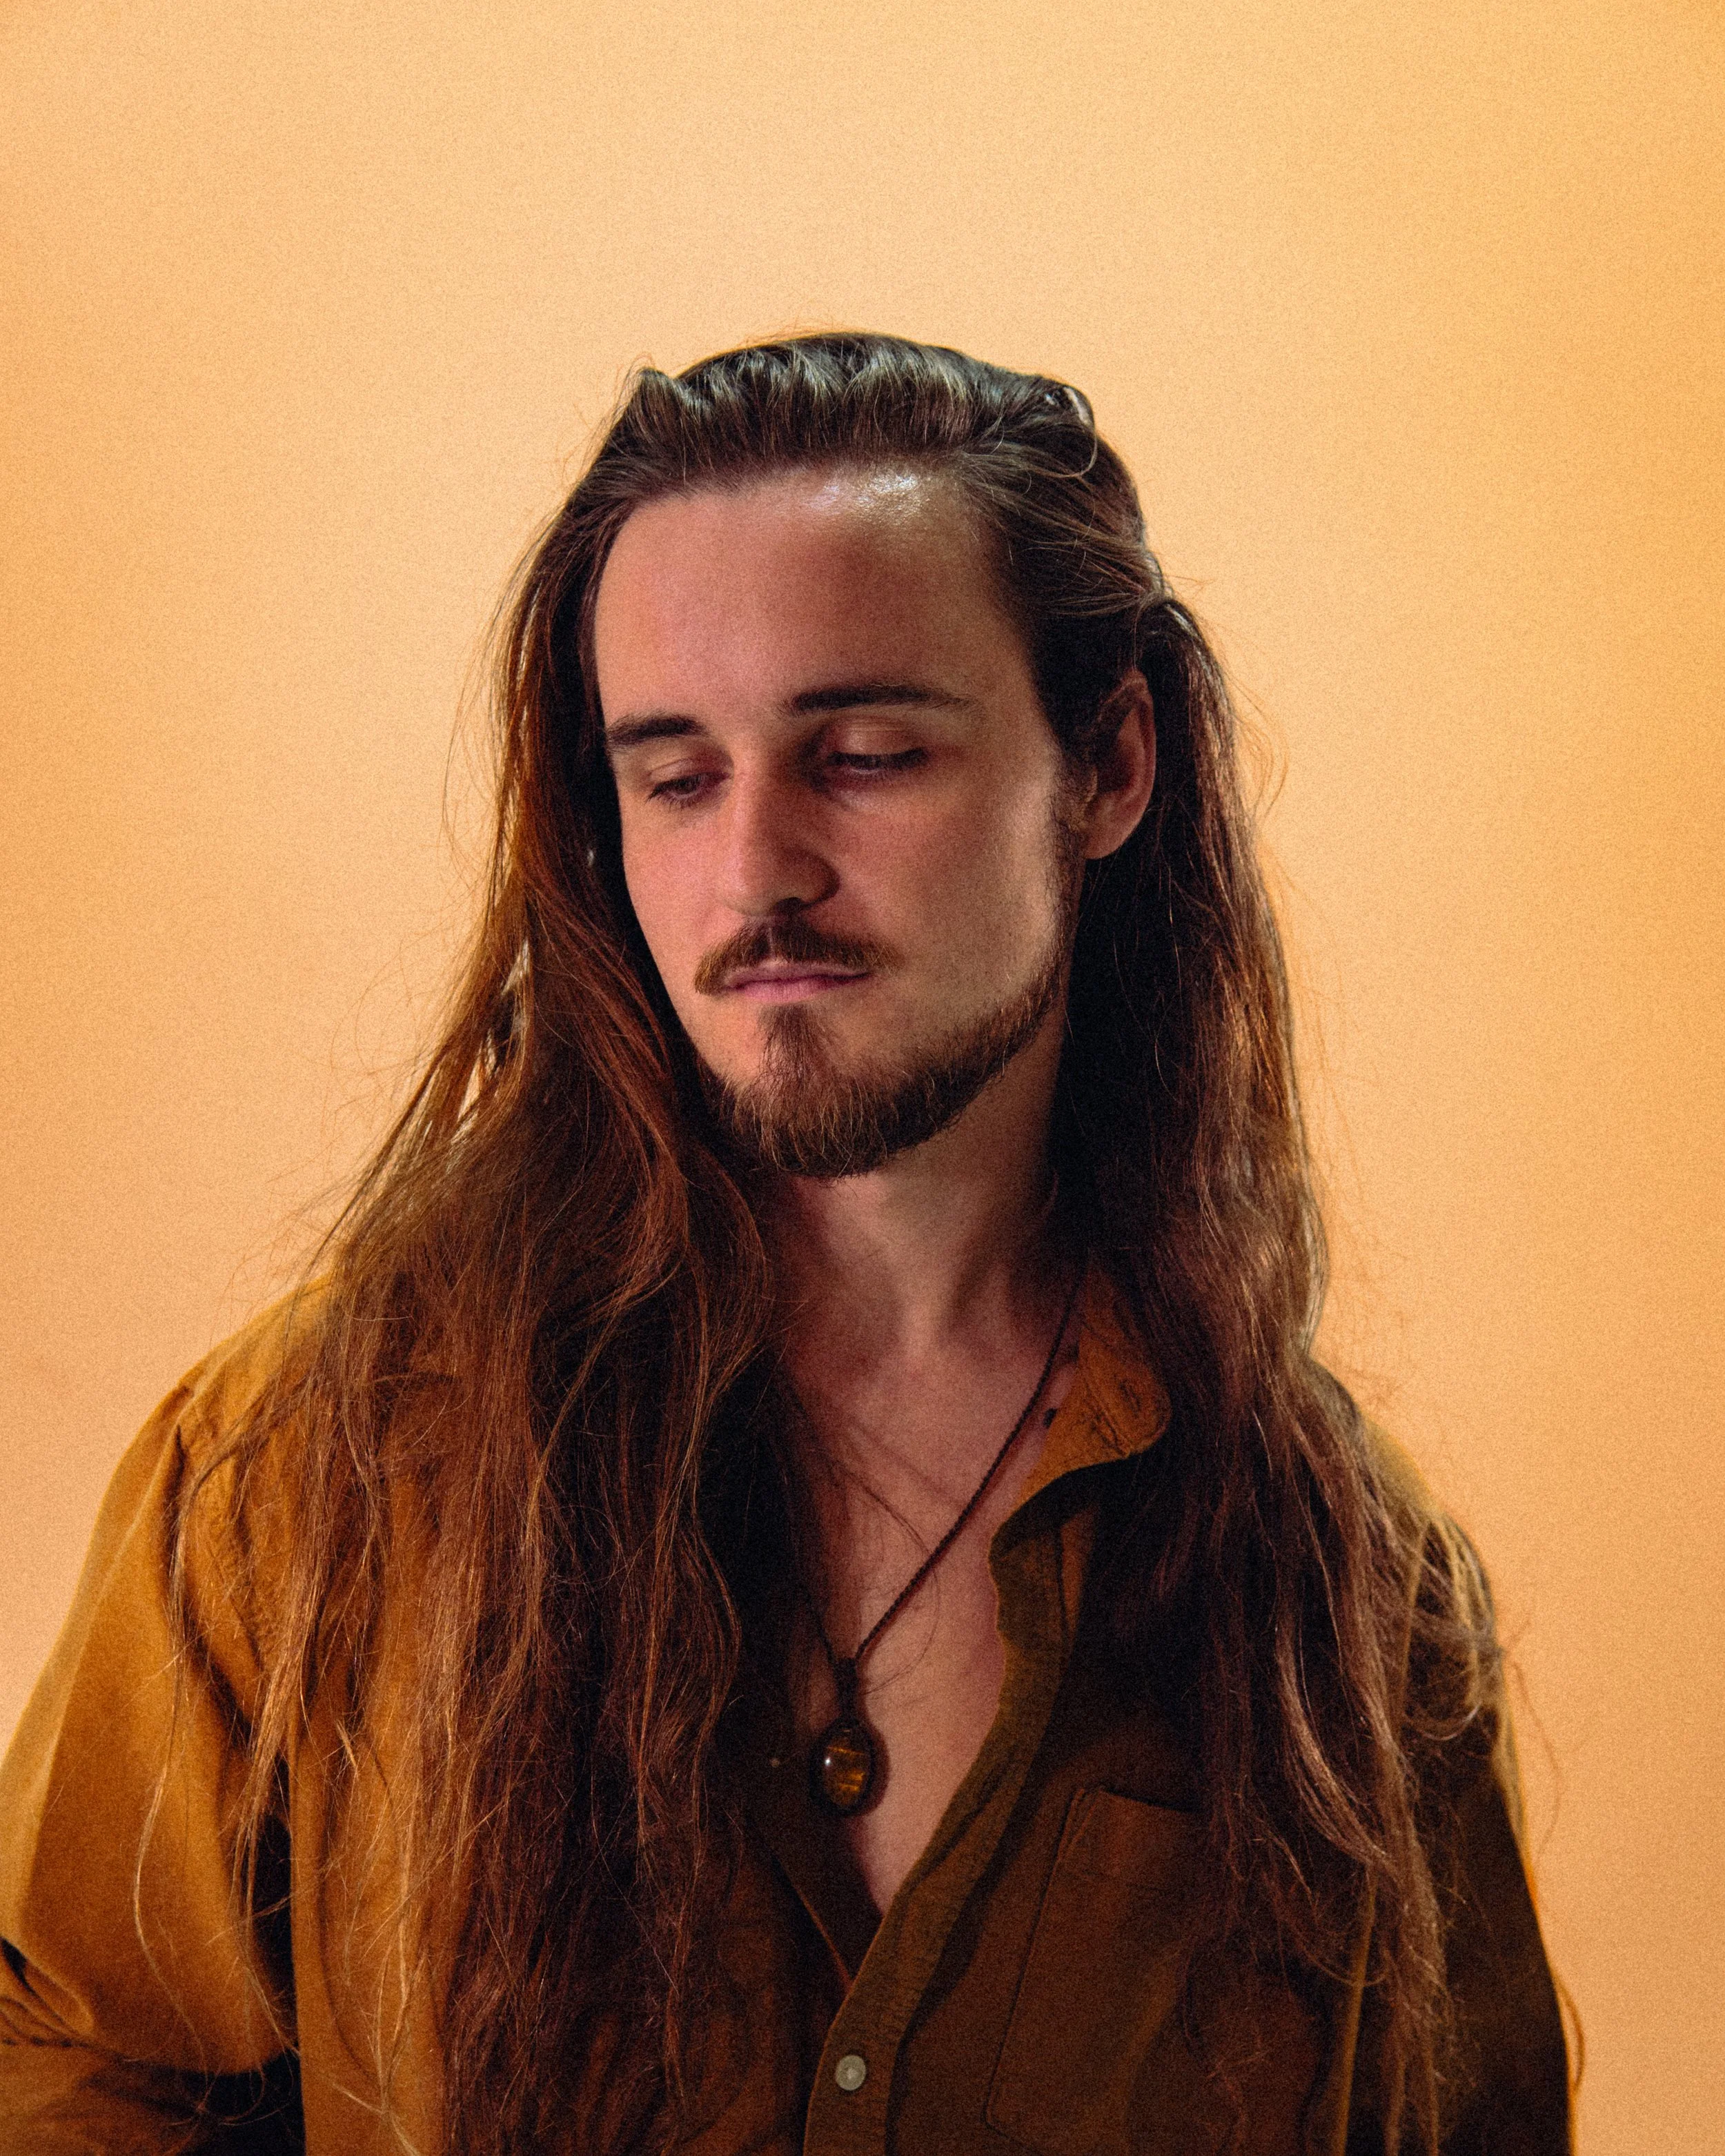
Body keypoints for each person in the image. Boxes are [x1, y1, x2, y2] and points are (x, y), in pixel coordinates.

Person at [0, 333, 1571, 2155]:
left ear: (1110, 762)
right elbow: (63, 2058)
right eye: (671, 777)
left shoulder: (1337, 1594)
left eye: (866, 754)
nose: (754, 870)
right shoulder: (316, 1467)